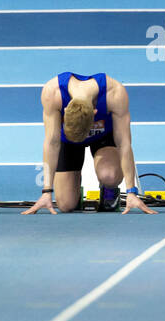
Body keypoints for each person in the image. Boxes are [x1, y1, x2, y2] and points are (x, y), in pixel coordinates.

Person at [22, 71, 156, 215]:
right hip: (68, 140)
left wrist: (131, 192)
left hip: (103, 135)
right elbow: (52, 143)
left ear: (95, 112)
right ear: (66, 110)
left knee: (110, 176)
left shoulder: (115, 93)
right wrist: (46, 191)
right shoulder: (52, 93)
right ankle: (74, 191)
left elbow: (124, 143)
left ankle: (108, 191)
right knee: (66, 205)